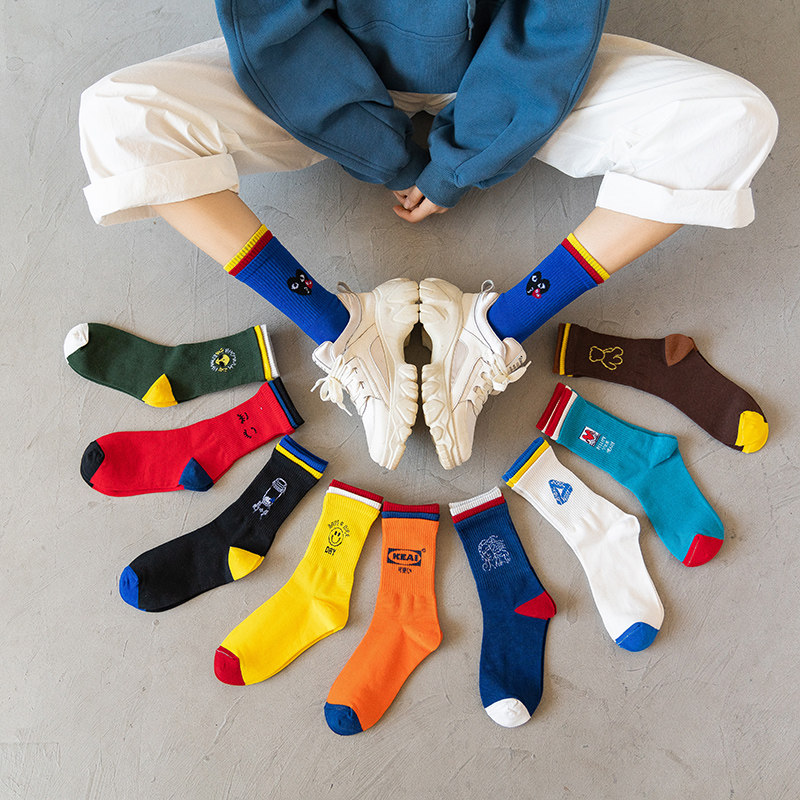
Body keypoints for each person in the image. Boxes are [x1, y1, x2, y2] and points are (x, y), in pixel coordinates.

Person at [78, 1, 778, 471]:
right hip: (327, 74)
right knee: (118, 116)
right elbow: (273, 26)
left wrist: (460, 160)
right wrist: (377, 148)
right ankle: (340, 327)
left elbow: (554, 23)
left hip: (508, 73)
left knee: (735, 120)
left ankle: (495, 330)